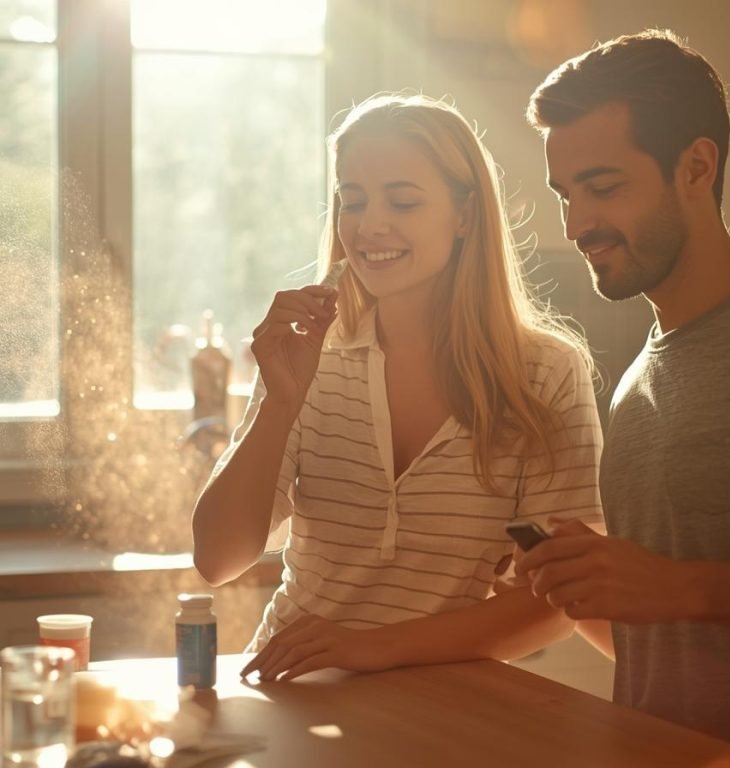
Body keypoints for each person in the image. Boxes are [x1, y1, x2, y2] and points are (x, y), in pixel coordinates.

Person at [192, 92, 604, 682]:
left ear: (465, 215)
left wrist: (372, 647)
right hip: (293, 689)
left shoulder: (545, 373)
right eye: (352, 201)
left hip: (438, 707)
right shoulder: (313, 356)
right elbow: (216, 559)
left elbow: (559, 603)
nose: (369, 225)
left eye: (403, 201)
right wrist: (280, 403)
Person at [521, 29, 730, 753]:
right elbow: (665, 642)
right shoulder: (637, 381)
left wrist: (680, 586)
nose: (577, 226)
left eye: (603, 188)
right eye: (566, 195)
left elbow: (682, 592)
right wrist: (592, 581)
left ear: (696, 166)